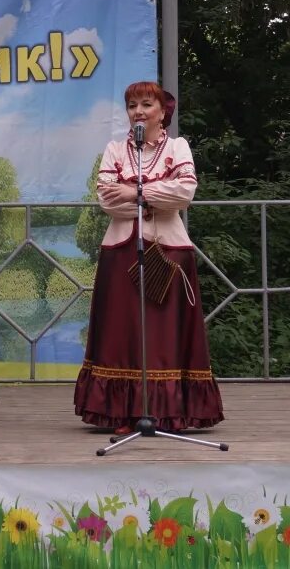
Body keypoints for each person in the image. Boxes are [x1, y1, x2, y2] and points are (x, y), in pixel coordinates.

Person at [73, 81, 224, 432]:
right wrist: (152, 198)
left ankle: (167, 410)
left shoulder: (177, 147)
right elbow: (106, 200)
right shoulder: (114, 150)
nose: (138, 111)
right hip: (121, 250)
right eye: (132, 106)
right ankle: (123, 412)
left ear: (162, 110)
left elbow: (184, 193)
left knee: (161, 335)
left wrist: (134, 191)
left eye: (146, 104)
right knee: (123, 333)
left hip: (168, 249)